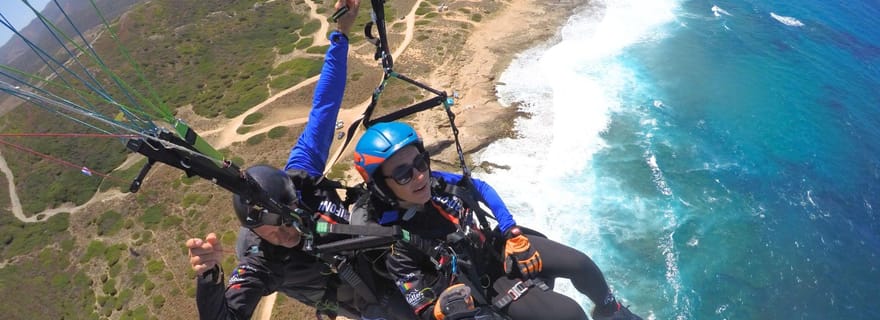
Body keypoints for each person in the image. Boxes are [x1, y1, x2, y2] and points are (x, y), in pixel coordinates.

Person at [185, 1, 413, 319]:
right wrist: (209, 277)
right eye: (272, 231)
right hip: (353, 291)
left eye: (286, 217)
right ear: (256, 232)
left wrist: (341, 32)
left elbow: (325, 104)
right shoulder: (260, 261)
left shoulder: (301, 174)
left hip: (363, 249)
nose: (285, 232)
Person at [351, 121, 643, 320]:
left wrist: (511, 230)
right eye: (404, 173)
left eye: (420, 163)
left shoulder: (438, 182)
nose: (419, 176)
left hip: (497, 248)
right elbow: (421, 306)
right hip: (485, 284)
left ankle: (612, 311)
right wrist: (441, 309)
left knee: (582, 265)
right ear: (381, 186)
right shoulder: (394, 241)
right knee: (569, 315)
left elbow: (480, 187)